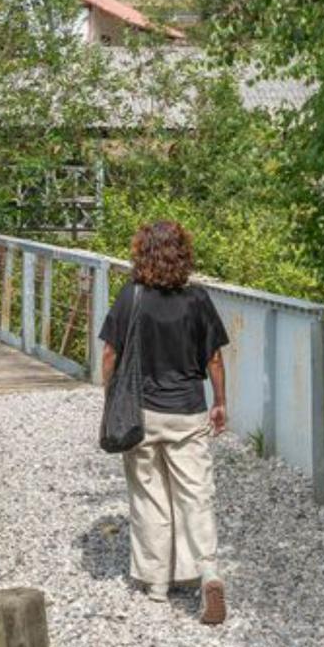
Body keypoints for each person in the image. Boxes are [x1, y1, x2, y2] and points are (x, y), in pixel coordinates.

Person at [99, 220, 229, 624]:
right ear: (184, 254)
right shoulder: (197, 300)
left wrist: (110, 398)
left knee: (150, 496)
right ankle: (206, 571)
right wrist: (220, 402)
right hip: (187, 411)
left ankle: (156, 584)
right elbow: (214, 359)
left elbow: (109, 355)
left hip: (142, 412)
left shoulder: (131, 297)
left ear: (142, 253)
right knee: (195, 494)